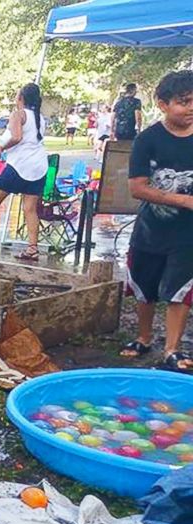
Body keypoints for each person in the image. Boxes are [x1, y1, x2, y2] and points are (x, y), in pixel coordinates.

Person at [120, 70, 193, 373]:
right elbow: (137, 187)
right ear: (162, 104)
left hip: (187, 234)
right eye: (183, 102)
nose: (190, 108)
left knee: (180, 290)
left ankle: (172, 348)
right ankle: (143, 337)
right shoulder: (147, 140)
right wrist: (183, 200)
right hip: (150, 230)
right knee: (144, 286)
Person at [0, 83, 49, 261]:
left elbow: (17, 137)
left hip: (19, 164)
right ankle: (33, 248)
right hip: (39, 165)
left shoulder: (18, 114)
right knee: (30, 208)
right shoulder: (39, 117)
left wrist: (0, 148)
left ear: (21, 98)